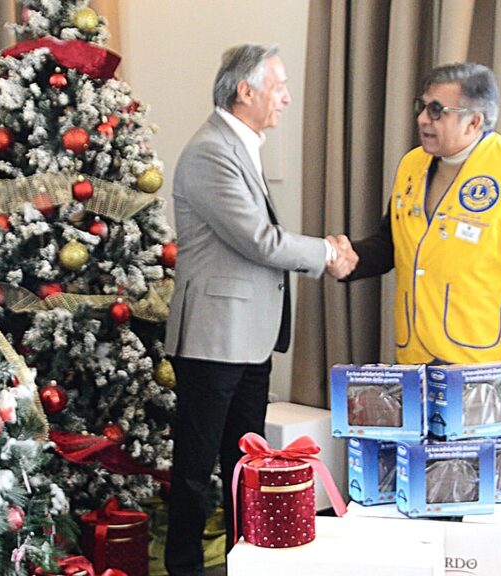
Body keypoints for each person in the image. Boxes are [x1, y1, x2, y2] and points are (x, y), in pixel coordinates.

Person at [162, 44, 356, 576]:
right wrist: (327, 252)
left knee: (245, 464)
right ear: (245, 91)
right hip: (213, 337)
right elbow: (258, 240)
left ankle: (245, 563)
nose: (287, 97)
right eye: (279, 86)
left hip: (248, 336)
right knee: (196, 469)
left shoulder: (240, 145)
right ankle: (183, 567)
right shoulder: (210, 151)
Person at [343, 62, 501, 403]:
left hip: (481, 363)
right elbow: (391, 244)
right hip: (414, 357)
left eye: (436, 111)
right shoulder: (412, 164)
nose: (422, 119)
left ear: (474, 122)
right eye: (422, 107)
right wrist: (343, 258)